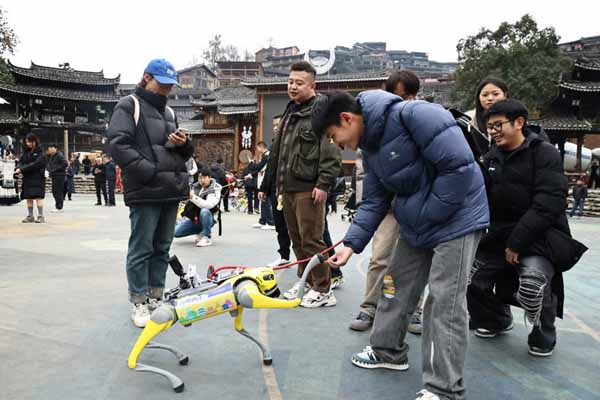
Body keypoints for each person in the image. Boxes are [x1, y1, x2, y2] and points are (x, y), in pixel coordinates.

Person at [312, 90, 488, 400]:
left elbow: (459, 168)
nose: (337, 144)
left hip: (457, 219)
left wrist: (428, 214)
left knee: (444, 301)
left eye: (333, 135)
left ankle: (444, 389)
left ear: (346, 118)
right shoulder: (372, 146)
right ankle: (388, 352)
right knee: (395, 285)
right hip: (419, 222)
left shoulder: (417, 115)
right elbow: (375, 200)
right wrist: (351, 244)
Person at [467, 99, 583, 358]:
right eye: (489, 127)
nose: (493, 131)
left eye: (498, 125)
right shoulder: (490, 157)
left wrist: (517, 243)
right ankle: (496, 319)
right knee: (468, 277)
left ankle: (542, 332)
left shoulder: (545, 153)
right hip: (498, 237)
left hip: (540, 237)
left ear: (519, 122)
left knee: (532, 285)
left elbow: (549, 203)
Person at [107, 58, 193, 328]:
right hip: (146, 189)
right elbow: (118, 144)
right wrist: (149, 171)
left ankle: (156, 296)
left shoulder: (169, 113)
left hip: (170, 189)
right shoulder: (128, 105)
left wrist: (184, 144)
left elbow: (176, 151)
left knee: (162, 248)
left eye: (171, 86)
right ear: (146, 77)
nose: (167, 90)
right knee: (142, 247)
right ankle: (139, 301)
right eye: (162, 84)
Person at [261, 61, 342, 309]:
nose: (293, 87)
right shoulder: (290, 111)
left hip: (309, 188)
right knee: (297, 239)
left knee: (312, 239)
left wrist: (324, 183)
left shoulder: (322, 112)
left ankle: (323, 289)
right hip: (287, 187)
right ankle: (306, 281)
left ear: (312, 85)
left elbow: (332, 151)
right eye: (290, 82)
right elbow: (277, 152)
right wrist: (267, 183)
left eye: (299, 83)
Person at [350, 70, 425, 333]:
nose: (405, 101)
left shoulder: (420, 120)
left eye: (410, 95)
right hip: (386, 206)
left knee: (416, 259)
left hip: (417, 206)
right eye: (399, 96)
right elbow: (364, 172)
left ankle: (415, 310)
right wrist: (367, 207)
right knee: (380, 256)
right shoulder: (372, 128)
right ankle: (369, 306)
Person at [259, 115, 292, 267]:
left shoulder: (293, 142)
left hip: (290, 189)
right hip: (274, 190)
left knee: (297, 227)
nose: (275, 127)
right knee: (280, 225)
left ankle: (306, 260)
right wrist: (264, 188)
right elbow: (270, 170)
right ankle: (284, 255)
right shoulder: (273, 146)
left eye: (278, 124)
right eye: (273, 125)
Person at [174, 167, 221, 247]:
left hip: (209, 218)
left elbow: (208, 205)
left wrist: (193, 197)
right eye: (200, 177)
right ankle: (200, 231)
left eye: (204, 178)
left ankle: (206, 236)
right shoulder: (194, 187)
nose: (202, 180)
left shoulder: (215, 188)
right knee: (176, 233)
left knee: (204, 211)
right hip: (193, 219)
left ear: (209, 177)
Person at [16, 133, 47, 223]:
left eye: (29, 141)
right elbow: (21, 161)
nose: (27, 144)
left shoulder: (40, 153)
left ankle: (41, 216)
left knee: (38, 197)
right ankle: (30, 216)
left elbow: (35, 164)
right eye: (26, 142)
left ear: (34, 141)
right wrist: (18, 167)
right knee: (28, 197)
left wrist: (21, 169)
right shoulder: (26, 152)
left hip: (38, 177)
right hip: (27, 177)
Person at [253, 141, 275, 230]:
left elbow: (260, 167)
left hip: (267, 181)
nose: (257, 150)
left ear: (261, 147)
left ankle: (271, 222)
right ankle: (263, 220)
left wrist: (252, 165)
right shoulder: (265, 155)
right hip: (262, 180)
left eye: (258, 148)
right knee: (262, 200)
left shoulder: (267, 155)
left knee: (266, 201)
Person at [45, 144, 68, 213]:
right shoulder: (52, 156)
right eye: (49, 148)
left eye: (52, 148)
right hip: (55, 176)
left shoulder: (59, 155)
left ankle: (59, 207)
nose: (50, 150)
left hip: (59, 176)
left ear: (55, 149)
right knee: (55, 191)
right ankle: (58, 206)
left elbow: (65, 164)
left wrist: (54, 170)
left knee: (58, 191)